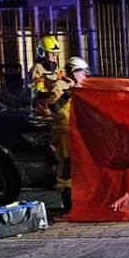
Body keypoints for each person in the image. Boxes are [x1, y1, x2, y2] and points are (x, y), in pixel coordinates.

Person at [49, 56, 91, 210]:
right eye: (83, 72)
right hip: (63, 130)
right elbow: (53, 106)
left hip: (74, 130)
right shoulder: (60, 85)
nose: (86, 75)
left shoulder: (79, 85)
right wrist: (68, 93)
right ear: (74, 72)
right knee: (66, 163)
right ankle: (66, 199)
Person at [31, 35, 64, 116]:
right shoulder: (38, 68)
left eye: (56, 52)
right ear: (42, 52)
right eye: (51, 52)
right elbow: (39, 94)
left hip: (56, 109)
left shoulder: (56, 69)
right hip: (44, 112)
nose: (54, 55)